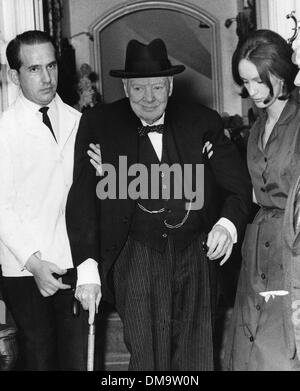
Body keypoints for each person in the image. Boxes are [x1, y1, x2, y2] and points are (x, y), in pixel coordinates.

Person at [66, 38, 252, 371]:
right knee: (147, 361)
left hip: (197, 254)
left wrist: (226, 225)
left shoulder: (202, 121)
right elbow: (81, 200)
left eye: (156, 87)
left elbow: (239, 186)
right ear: (125, 86)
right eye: (138, 89)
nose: (148, 98)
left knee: (197, 359)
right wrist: (87, 268)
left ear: (169, 84)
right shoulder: (99, 125)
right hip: (134, 255)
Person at [0, 30, 101, 370]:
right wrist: (34, 263)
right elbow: (2, 209)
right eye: (34, 69)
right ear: (14, 75)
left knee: (78, 361)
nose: (46, 78)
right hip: (25, 269)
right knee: (39, 360)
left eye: (52, 66)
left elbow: (87, 197)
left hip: (73, 264)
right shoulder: (4, 131)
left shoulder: (79, 122)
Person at [223, 29, 300, 371]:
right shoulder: (256, 126)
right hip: (257, 254)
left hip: (294, 249)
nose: (251, 91)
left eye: (258, 81)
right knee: (250, 356)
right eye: (244, 81)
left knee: (283, 355)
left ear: (281, 74)